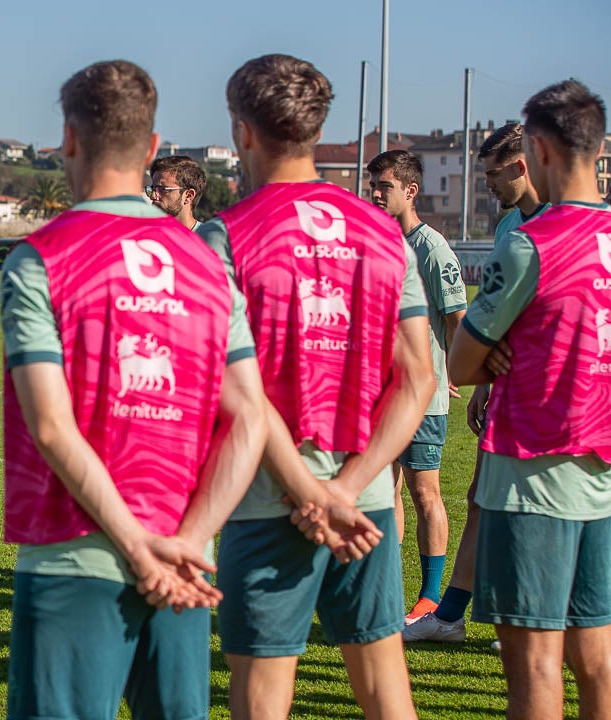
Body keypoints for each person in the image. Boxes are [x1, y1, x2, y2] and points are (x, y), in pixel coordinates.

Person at [1, 59, 268, 720]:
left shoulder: (39, 258)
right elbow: (249, 418)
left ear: (67, 137)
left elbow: (53, 427)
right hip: (183, 561)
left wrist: (135, 547)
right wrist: (185, 543)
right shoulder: (206, 263)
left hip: (74, 554)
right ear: (151, 149)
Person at [198, 54, 434, 719]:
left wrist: (312, 494)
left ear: (242, 131)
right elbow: (416, 376)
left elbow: (237, 392)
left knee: (263, 697)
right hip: (367, 504)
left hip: (268, 498)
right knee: (386, 687)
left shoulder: (225, 237)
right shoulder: (384, 234)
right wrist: (345, 491)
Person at [448, 79, 611, 719]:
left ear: (537, 149)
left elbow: (461, 361)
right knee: (596, 658)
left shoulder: (531, 241)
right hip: (601, 472)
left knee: (535, 663)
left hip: (534, 470)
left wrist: (496, 351)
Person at [404, 122, 549, 643]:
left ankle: (529, 616)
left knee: (540, 508)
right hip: (507, 388)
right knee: (484, 497)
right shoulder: (511, 223)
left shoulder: (567, 227)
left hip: (554, 397)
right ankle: (453, 614)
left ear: (522, 166)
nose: (487, 184)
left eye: (493, 174)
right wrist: (485, 386)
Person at [366, 149, 467, 622]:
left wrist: (446, 370)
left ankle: (429, 598)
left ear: (410, 190)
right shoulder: (378, 242)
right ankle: (386, 591)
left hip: (422, 398)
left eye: (384, 186)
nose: (375, 194)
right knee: (382, 493)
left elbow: (456, 319)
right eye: (373, 186)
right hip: (381, 394)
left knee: (424, 491)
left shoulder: (432, 248)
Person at [147, 154, 206, 230]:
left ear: (188, 196)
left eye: (162, 189)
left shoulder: (207, 238)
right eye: (152, 188)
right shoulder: (147, 238)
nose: (153, 196)